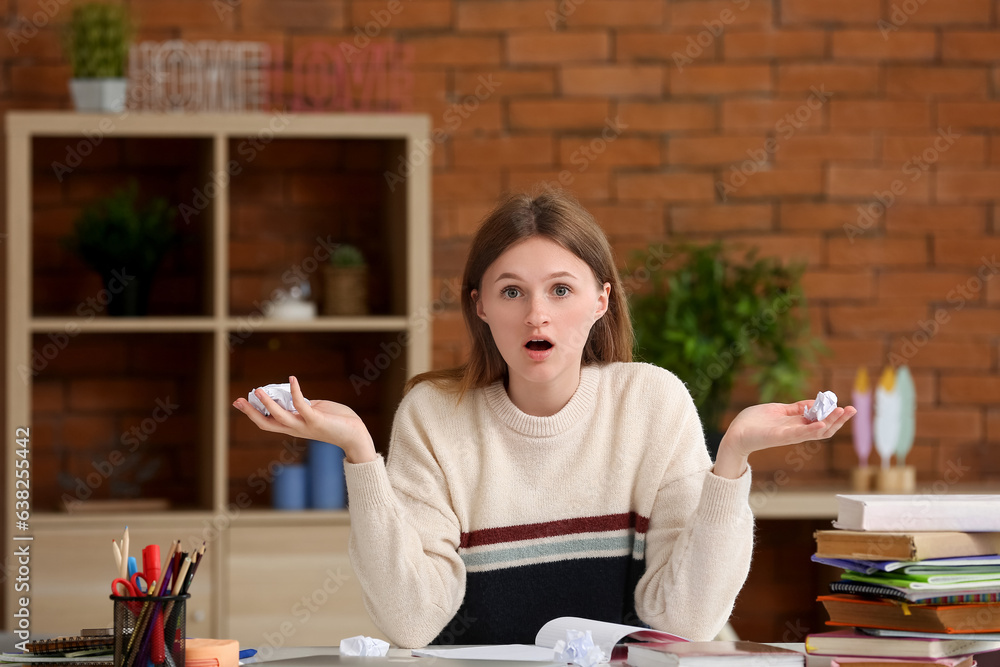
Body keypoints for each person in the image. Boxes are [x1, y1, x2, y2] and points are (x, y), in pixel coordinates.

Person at [232, 188, 856, 648]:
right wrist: (362, 457)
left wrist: (734, 460)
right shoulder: (434, 417)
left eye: (561, 289)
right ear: (479, 306)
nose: (537, 315)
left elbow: (685, 621)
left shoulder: (653, 403)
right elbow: (411, 622)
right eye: (512, 291)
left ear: (601, 300)